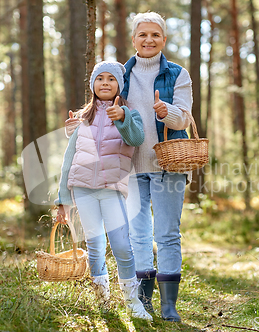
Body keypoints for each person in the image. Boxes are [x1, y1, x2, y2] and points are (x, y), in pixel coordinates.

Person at [55, 61, 152, 321]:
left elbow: (136, 139)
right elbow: (69, 159)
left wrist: (122, 119)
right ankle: (102, 300)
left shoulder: (129, 113)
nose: (105, 83)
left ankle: (133, 303)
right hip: (83, 190)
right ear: (93, 85)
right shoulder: (83, 118)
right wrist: (62, 201)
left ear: (119, 84)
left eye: (111, 78)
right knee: (95, 245)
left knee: (121, 245)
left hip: (111, 190)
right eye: (100, 79)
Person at [120, 12, 193, 322]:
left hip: (169, 163)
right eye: (142, 35)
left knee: (166, 234)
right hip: (131, 165)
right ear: (134, 39)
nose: (148, 40)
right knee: (138, 235)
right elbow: (101, 112)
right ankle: (144, 301)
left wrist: (167, 111)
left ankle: (168, 306)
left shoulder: (178, 74)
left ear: (164, 39)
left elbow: (184, 119)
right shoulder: (119, 74)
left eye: (155, 35)